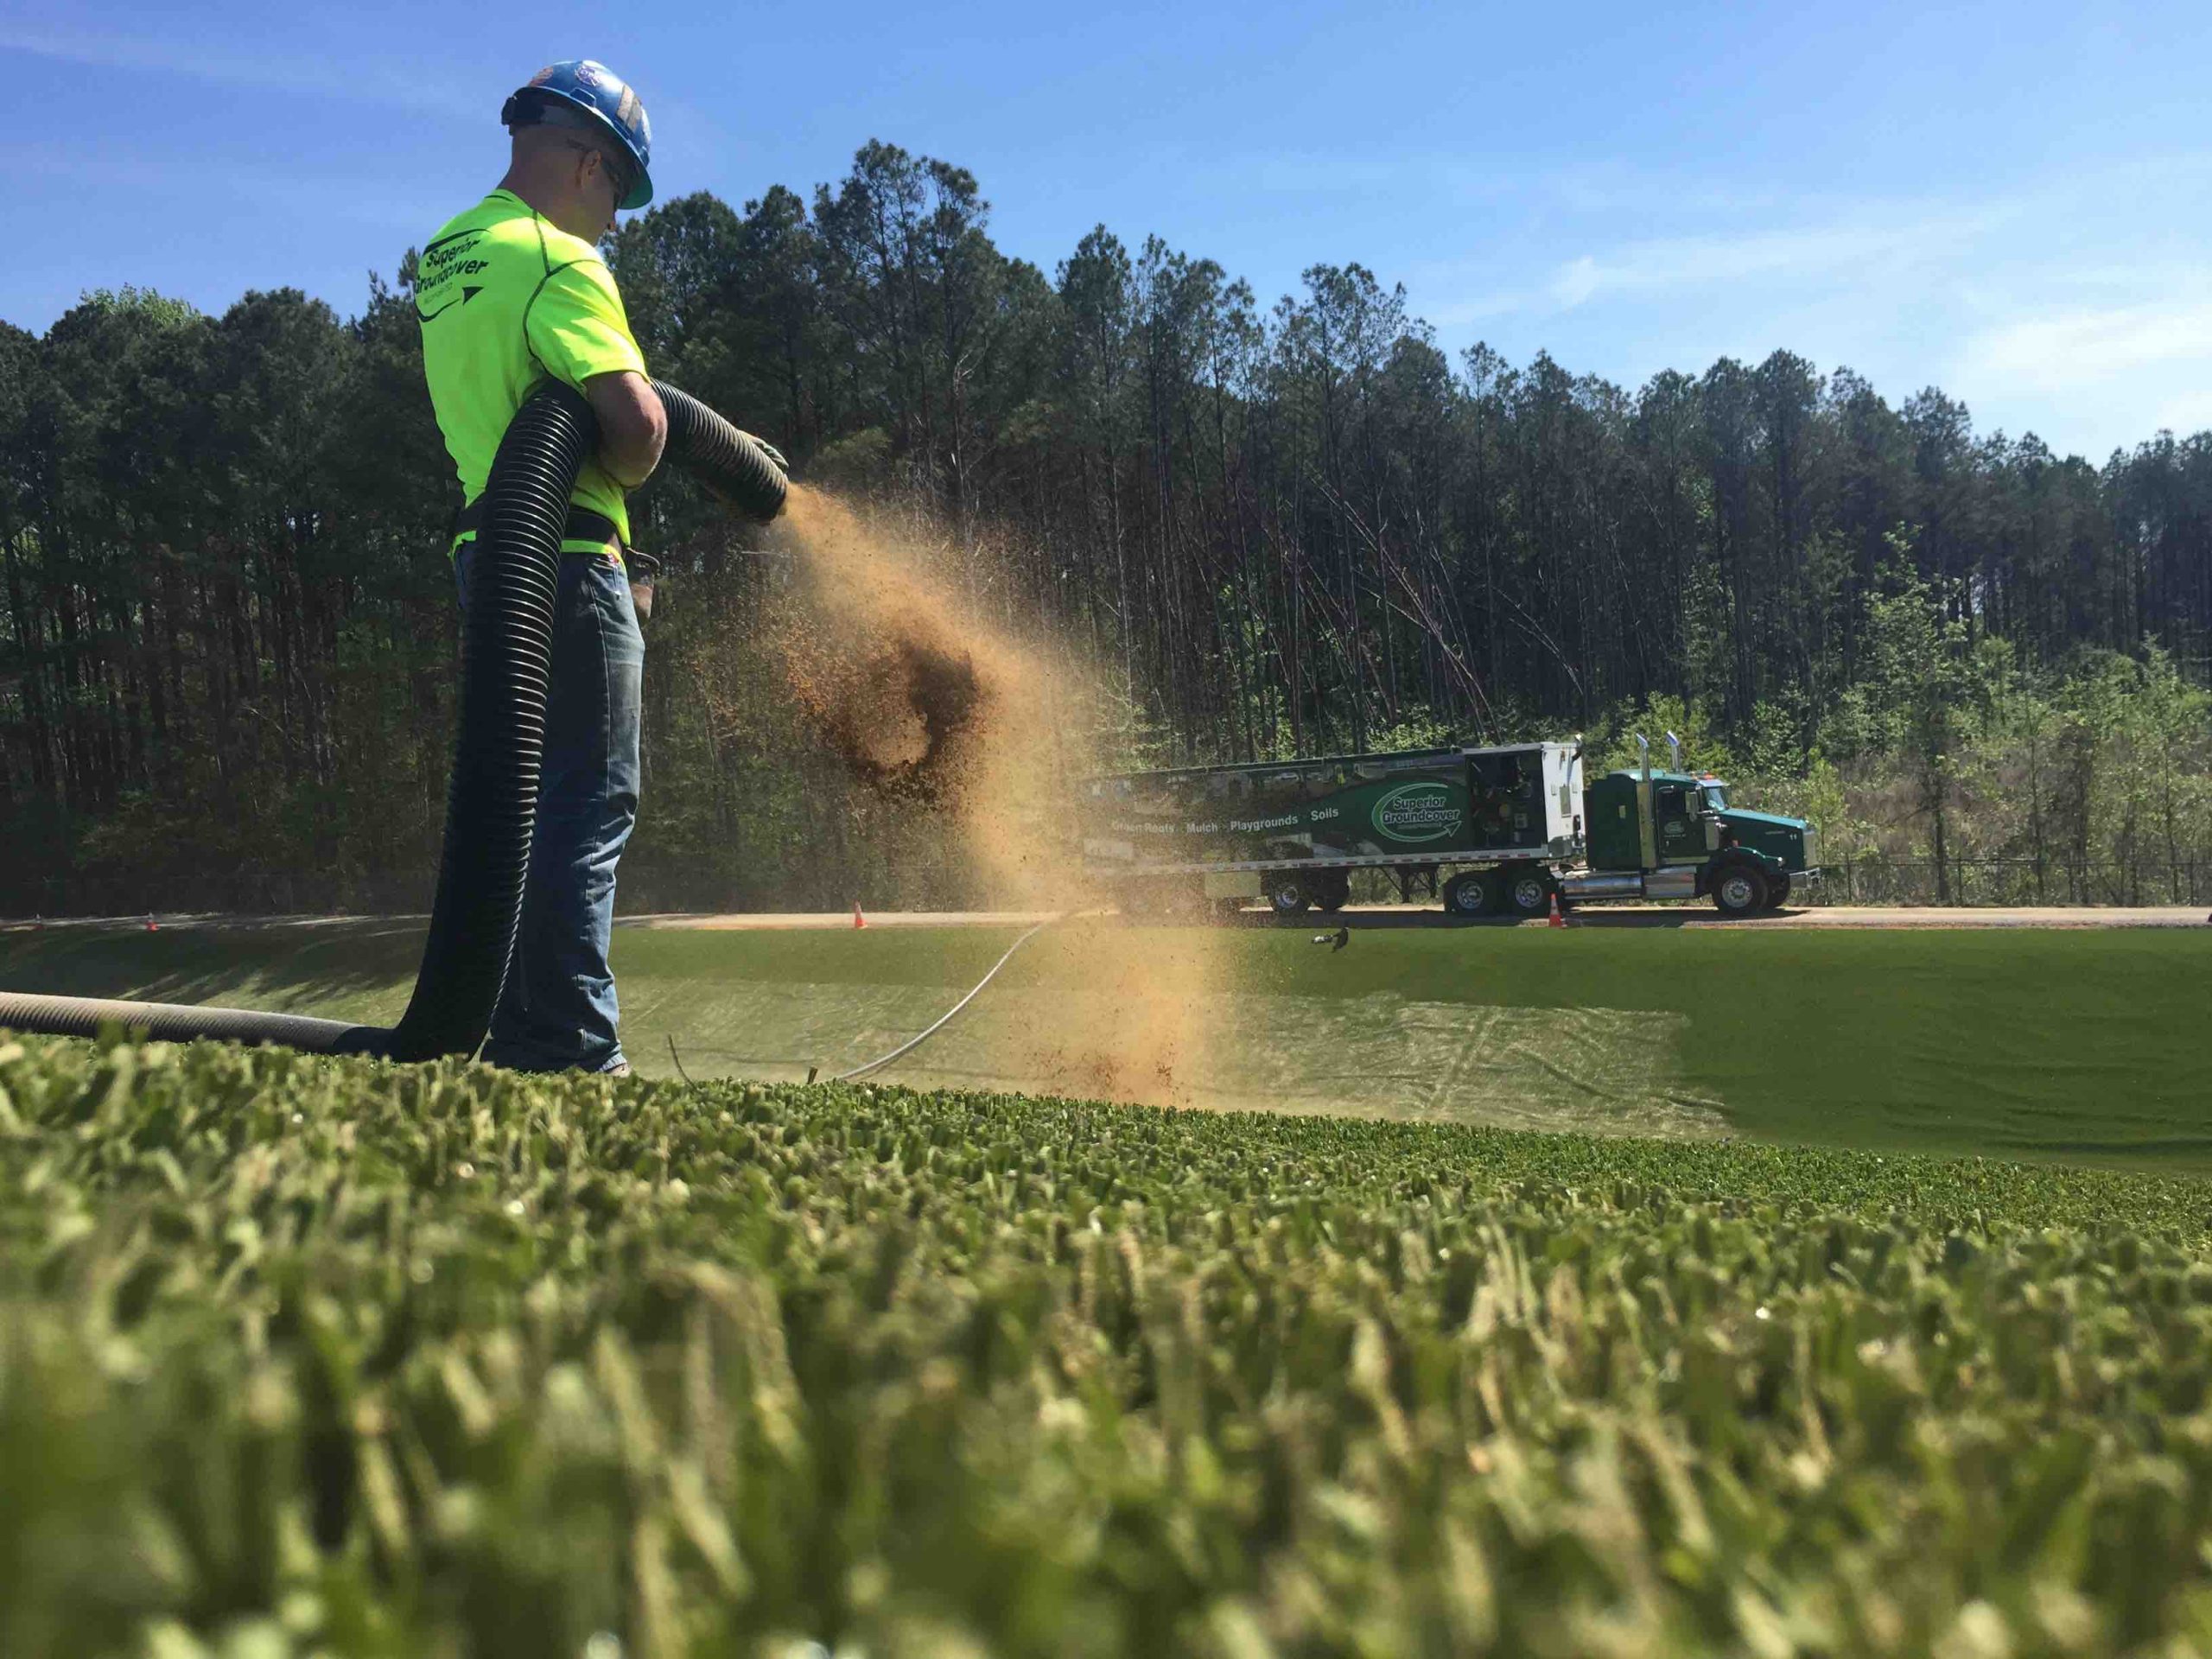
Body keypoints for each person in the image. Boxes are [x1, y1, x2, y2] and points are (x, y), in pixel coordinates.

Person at [414, 60, 664, 1076]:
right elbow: (640, 429)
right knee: (587, 802)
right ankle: (566, 1047)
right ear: (589, 163)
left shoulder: (447, 253)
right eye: (617, 195)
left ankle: (514, 1036)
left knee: (515, 804)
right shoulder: (560, 258)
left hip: (489, 558)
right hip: (564, 556)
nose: (614, 219)